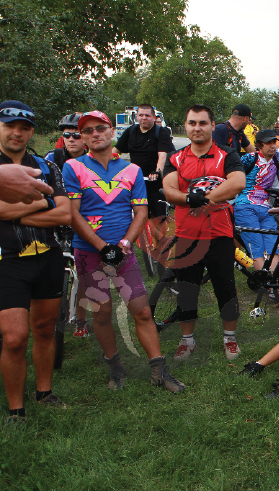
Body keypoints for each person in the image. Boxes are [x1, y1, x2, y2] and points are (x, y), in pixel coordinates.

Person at [62, 111, 184, 392]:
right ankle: (115, 368)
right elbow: (73, 214)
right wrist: (102, 247)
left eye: (101, 128)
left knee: (142, 312)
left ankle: (159, 371)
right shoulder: (73, 167)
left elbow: (140, 212)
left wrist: (124, 245)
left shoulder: (131, 171)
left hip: (123, 252)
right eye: (88, 130)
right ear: (82, 137)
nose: (96, 134)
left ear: (112, 131)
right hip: (89, 252)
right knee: (102, 314)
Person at [0, 100, 71, 424]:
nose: (17, 132)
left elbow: (64, 213)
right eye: (10, 126)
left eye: (24, 127)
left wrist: (15, 207)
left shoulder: (47, 166)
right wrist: (42, 203)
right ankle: (16, 408)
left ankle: (44, 391)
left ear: (32, 131)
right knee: (14, 337)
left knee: (44, 329)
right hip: (8, 260)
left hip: (48, 255)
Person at [162, 104, 247, 362]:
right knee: (187, 289)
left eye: (202, 123)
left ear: (212, 125)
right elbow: (169, 190)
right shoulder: (175, 158)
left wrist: (203, 198)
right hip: (187, 234)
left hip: (219, 234)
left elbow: (238, 183)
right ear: (185, 126)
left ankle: (229, 339)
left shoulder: (227, 155)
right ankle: (187, 341)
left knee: (225, 287)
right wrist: (190, 199)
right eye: (192, 123)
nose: (197, 127)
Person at [46, 112, 90, 339]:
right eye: (67, 135)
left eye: (76, 135)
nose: (71, 139)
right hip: (53, 219)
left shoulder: (93, 162)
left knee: (83, 272)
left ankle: (81, 320)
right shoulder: (50, 159)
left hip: (81, 221)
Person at [113, 104, 175, 250]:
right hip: (136, 182)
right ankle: (130, 246)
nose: (144, 118)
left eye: (147, 115)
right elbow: (115, 152)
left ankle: (161, 246)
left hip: (155, 182)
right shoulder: (131, 131)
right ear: (136, 117)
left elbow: (162, 155)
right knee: (137, 215)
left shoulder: (161, 132)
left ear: (154, 117)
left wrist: (157, 172)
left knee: (158, 217)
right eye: (141, 115)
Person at [233, 129, 279, 271]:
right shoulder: (249, 158)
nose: (273, 145)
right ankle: (264, 282)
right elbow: (232, 179)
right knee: (257, 246)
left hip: (266, 207)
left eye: (274, 141)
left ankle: (273, 283)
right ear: (259, 145)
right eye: (269, 142)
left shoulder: (277, 158)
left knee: (272, 246)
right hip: (245, 206)